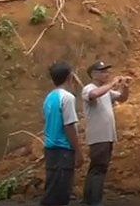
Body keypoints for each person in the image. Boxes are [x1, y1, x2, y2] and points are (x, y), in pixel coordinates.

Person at [81, 61, 131, 206]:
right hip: (98, 136)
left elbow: (122, 98)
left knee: (96, 168)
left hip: (106, 135)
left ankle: (88, 199)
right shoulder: (89, 88)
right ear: (93, 74)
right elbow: (94, 94)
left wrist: (125, 87)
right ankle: (95, 201)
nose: (107, 74)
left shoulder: (106, 91)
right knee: (99, 169)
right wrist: (112, 84)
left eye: (107, 71)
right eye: (102, 71)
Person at [42, 61, 82, 206]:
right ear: (70, 76)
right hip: (63, 150)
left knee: (52, 188)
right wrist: (78, 151)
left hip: (50, 149)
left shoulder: (49, 97)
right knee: (60, 194)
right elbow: (69, 126)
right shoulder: (67, 98)